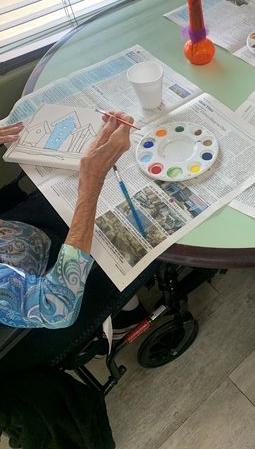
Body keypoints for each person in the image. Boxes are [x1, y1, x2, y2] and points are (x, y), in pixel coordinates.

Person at [0, 112, 156, 373]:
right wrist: (92, 181)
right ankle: (125, 316)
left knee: (77, 183)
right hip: (47, 291)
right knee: (147, 239)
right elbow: (56, 307)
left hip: (19, 234)